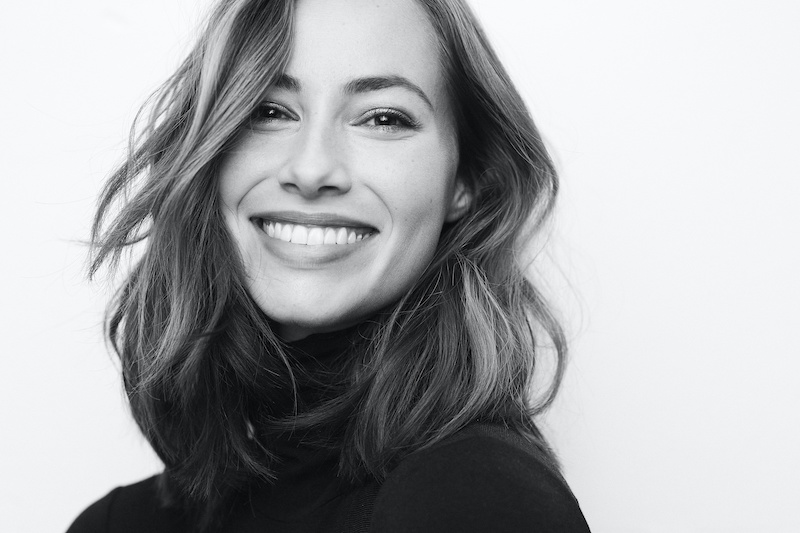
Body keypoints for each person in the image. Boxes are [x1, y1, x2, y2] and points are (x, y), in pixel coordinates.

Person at [68, 0, 591, 531]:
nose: (312, 168)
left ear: (466, 180)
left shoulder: (475, 499)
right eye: (268, 111)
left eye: (383, 119)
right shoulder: (119, 524)